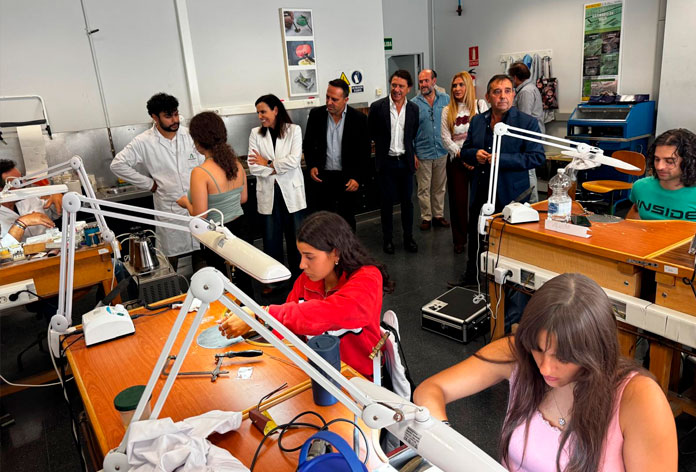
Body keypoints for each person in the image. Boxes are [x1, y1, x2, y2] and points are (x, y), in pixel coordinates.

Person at [414, 273, 678, 472]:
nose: (545, 368)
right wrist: (448, 445)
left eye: (564, 357)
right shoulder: (518, 356)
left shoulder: (639, 398)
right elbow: (430, 390)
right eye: (538, 349)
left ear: (594, 350)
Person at [218, 211, 394, 379]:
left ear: (336, 253)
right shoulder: (306, 280)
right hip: (317, 370)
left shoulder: (368, 277)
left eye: (309, 257)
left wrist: (261, 314)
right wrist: (258, 328)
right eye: (301, 255)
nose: (302, 265)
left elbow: (332, 312)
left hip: (358, 378)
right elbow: (288, 326)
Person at [451, 74, 544, 288]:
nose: (503, 96)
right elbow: (466, 150)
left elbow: (536, 157)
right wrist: (474, 155)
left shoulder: (526, 123)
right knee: (476, 234)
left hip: (511, 194)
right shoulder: (478, 121)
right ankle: (472, 276)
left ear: (513, 95)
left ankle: (508, 283)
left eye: (507, 91)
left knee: (509, 240)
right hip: (481, 190)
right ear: (488, 97)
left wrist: (503, 159)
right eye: (497, 92)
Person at [110, 93, 205, 270]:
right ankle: (172, 287)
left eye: (176, 114)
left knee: (201, 250)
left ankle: (204, 285)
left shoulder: (189, 135)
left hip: (197, 203)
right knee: (169, 255)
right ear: (155, 117)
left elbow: (204, 161)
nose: (175, 120)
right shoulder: (144, 141)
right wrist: (149, 184)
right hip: (169, 207)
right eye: (168, 116)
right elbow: (117, 165)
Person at [176, 111, 253, 294]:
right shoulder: (236, 164)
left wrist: (186, 202)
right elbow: (243, 199)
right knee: (244, 282)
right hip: (241, 230)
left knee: (223, 286)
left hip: (217, 235)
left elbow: (200, 215)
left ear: (198, 141)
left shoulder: (200, 172)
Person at [248, 94, 306, 277]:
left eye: (263, 111)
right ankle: (275, 279)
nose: (260, 116)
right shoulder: (255, 133)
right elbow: (253, 166)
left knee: (296, 237)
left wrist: (267, 163)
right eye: (258, 113)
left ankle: (300, 276)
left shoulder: (294, 130)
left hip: (291, 192)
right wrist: (275, 167)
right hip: (269, 192)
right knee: (271, 238)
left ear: (275, 110)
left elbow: (294, 161)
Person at [303, 79, 370, 232]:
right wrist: (312, 165)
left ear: (346, 99)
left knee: (347, 220)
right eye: (327, 97)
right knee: (324, 221)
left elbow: (364, 152)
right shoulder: (316, 115)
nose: (329, 102)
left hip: (347, 179)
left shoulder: (359, 119)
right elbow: (308, 144)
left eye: (334, 99)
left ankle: (347, 247)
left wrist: (357, 178)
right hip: (323, 178)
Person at [368, 70, 420, 254]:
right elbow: (371, 131)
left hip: (405, 162)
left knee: (407, 203)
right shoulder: (377, 107)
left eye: (401, 86)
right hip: (386, 162)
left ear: (409, 88)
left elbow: (412, 134)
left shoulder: (413, 109)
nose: (397, 89)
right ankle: (388, 239)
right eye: (394, 85)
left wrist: (413, 154)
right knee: (386, 203)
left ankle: (408, 238)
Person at [440, 71, 479, 254]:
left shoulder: (480, 106)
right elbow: (445, 138)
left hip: (478, 160)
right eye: (454, 85)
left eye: (461, 85)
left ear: (468, 86)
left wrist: (474, 156)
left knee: (478, 201)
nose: (457, 88)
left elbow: (484, 134)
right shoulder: (447, 111)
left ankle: (479, 237)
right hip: (456, 161)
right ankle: (459, 240)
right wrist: (462, 156)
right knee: (458, 202)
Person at [627, 128, 696, 221]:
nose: (659, 167)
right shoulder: (641, 187)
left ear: (688, 161)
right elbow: (633, 220)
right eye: (657, 159)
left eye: (669, 161)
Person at [413, 69, 451, 231]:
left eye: (426, 81)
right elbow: (410, 131)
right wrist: (413, 153)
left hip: (442, 150)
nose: (423, 84)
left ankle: (438, 215)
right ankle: (426, 217)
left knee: (439, 187)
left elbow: (451, 122)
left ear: (434, 81)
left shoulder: (446, 99)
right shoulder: (413, 104)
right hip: (423, 153)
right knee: (423, 188)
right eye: (421, 81)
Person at [1, 159, 61, 246]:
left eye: (22, 178)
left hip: (53, 249)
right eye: (17, 182)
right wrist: (22, 222)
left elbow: (54, 213)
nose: (24, 184)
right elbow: (3, 249)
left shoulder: (28, 199)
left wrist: (57, 197)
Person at [508, 62, 544, 203]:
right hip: (531, 134)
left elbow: (523, 118)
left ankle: (532, 202)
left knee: (528, 170)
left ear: (515, 77)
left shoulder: (525, 92)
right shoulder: (530, 88)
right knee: (529, 170)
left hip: (528, 135)